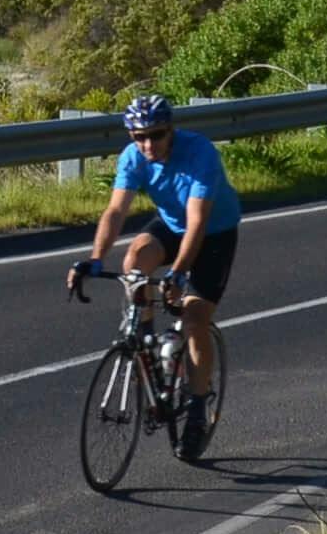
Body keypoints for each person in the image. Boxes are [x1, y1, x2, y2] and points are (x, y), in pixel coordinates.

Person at [69, 92, 241, 458]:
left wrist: (178, 273)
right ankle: (145, 341)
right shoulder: (133, 157)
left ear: (171, 130)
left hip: (214, 232)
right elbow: (116, 211)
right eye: (139, 137)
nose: (148, 144)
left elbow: (197, 222)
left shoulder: (199, 153)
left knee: (194, 319)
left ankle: (197, 407)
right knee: (134, 261)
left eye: (156, 135)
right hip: (171, 224)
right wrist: (95, 259)